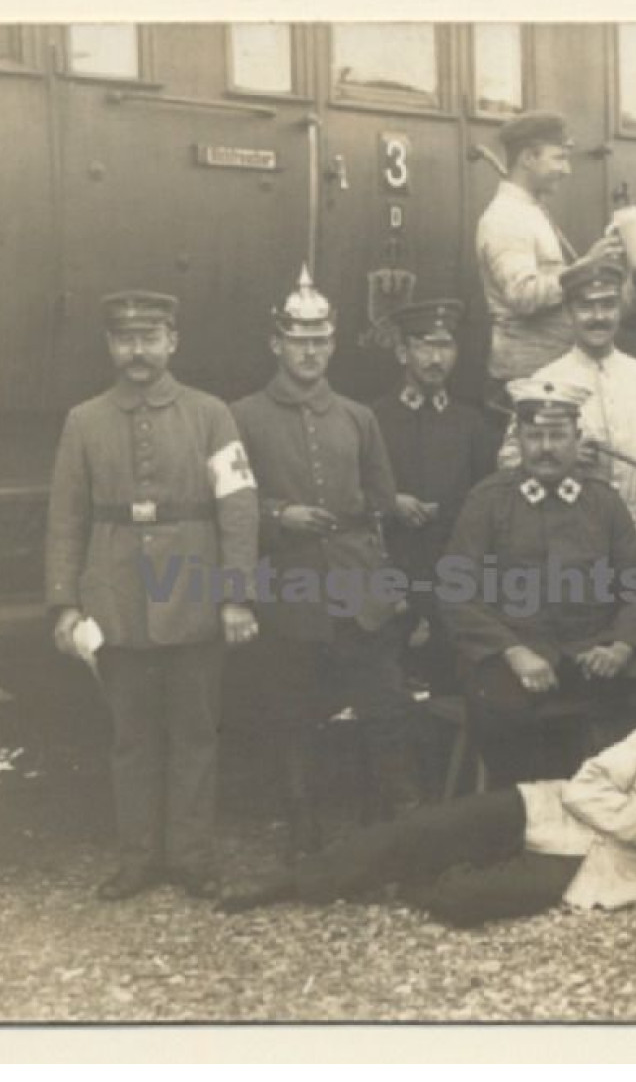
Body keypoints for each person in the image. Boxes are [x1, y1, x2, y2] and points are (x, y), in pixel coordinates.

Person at [216, 644, 636, 928]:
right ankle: (295, 882)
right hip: (551, 809)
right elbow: (586, 786)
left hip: (607, 865)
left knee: (462, 905)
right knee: (423, 827)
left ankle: (416, 877)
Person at [46, 290, 259, 900]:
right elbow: (66, 517)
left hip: (194, 594)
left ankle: (191, 857)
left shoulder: (211, 414)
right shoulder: (83, 420)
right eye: (125, 339)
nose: (138, 351)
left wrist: (237, 594)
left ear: (173, 342)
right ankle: (138, 859)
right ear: (111, 346)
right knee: (131, 737)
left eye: (150, 337)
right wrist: (65, 604)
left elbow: (239, 508)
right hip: (116, 600)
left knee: (194, 732)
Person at [232, 266, 426, 850]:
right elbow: (229, 502)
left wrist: (386, 584)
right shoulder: (240, 416)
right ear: (276, 344)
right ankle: (302, 825)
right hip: (290, 586)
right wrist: (277, 516)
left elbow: (381, 504)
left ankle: (401, 823)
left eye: (320, 341)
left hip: (357, 585)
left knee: (384, 706)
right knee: (293, 713)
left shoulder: (357, 417)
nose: (310, 352)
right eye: (299, 340)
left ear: (333, 344)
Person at [441, 376, 636, 785]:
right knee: (502, 713)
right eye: (534, 435)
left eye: (558, 435)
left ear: (578, 439)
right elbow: (456, 593)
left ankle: (615, 806)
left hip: (588, 651)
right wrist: (513, 651)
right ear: (517, 439)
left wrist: (622, 646)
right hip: (513, 652)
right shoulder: (488, 501)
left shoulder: (604, 502)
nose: (546, 447)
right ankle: (524, 816)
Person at [498, 257, 636, 593]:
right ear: (569, 313)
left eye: (608, 305)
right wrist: (560, 457)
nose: (598, 317)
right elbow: (509, 462)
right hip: (573, 544)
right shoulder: (546, 381)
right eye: (586, 307)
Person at [370, 298, 498, 692]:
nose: (435, 358)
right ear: (401, 351)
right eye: (425, 345)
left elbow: (487, 497)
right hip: (388, 571)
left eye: (445, 346)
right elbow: (350, 492)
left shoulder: (471, 423)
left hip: (452, 574)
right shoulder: (372, 418)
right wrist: (391, 502)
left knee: (449, 686)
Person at [476, 110, 623, 393]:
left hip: (549, 373)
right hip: (525, 379)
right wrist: (585, 267)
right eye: (559, 158)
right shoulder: (506, 218)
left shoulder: (529, 210)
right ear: (528, 158)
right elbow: (523, 296)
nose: (566, 170)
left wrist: (591, 263)